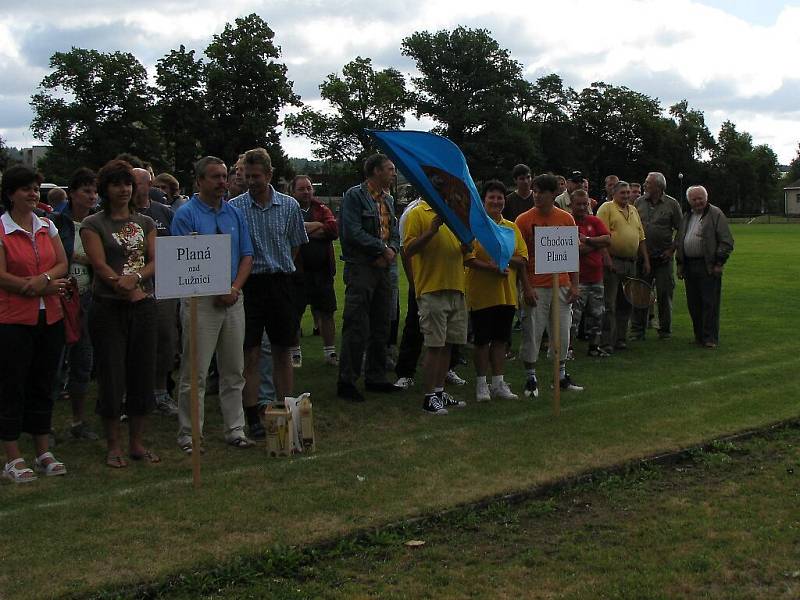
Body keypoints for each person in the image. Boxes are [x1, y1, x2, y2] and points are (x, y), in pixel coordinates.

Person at [171, 156, 254, 453]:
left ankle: (235, 428)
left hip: (233, 298)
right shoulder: (185, 215)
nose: (222, 182)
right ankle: (190, 433)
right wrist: (216, 288)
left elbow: (247, 255)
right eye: (215, 177)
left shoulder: (235, 215)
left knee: (234, 369)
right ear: (199, 181)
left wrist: (233, 288)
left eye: (224, 176)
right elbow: (183, 261)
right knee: (196, 372)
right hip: (200, 301)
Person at [81, 159, 160, 467]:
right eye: (116, 184)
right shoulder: (93, 224)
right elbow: (99, 265)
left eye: (127, 184)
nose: (124, 190)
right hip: (108, 308)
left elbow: (155, 260)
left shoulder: (146, 223)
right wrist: (121, 283)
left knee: (142, 374)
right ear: (105, 189)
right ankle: (113, 445)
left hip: (143, 306)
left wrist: (137, 279)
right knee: (112, 376)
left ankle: (137, 443)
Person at [229, 148, 308, 438]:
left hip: (281, 282)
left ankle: (286, 408)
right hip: (250, 285)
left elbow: (296, 244)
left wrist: (281, 264)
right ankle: (252, 415)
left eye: (257, 176)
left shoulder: (288, 206)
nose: (251, 182)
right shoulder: (235, 206)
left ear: (269, 175)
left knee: (282, 350)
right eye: (247, 176)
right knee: (249, 352)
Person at [0, 165, 69, 482]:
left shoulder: (47, 226)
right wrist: (32, 286)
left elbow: (61, 263)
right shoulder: (2, 230)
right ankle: (12, 455)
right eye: (26, 189)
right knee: (13, 385)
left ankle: (42, 448)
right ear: (11, 193)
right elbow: (2, 275)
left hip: (49, 316)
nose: (32, 194)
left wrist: (40, 281)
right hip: (13, 320)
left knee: (44, 383)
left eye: (35, 189)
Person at [337, 154, 401, 402]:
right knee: (356, 325)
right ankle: (347, 381)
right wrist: (380, 249)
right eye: (390, 169)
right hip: (361, 268)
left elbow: (394, 232)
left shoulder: (389, 200)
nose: (394, 173)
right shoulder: (354, 196)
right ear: (375, 171)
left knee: (381, 323)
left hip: (383, 269)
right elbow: (351, 231)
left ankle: (375, 376)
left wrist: (392, 250)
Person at [515, 173, 583, 398]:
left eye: (542, 192)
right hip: (536, 284)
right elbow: (521, 259)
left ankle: (560, 375)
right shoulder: (523, 220)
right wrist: (526, 287)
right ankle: (531, 376)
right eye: (535, 191)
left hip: (561, 284)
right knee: (532, 331)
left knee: (562, 330)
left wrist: (574, 284)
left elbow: (571, 254)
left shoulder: (566, 219)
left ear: (554, 194)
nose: (537, 196)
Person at [403, 196, 471, 414]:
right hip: (432, 289)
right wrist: (431, 231)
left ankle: (440, 392)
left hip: (456, 287)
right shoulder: (418, 212)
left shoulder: (454, 215)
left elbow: (460, 250)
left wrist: (465, 246)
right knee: (435, 345)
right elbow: (409, 249)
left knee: (448, 345)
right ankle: (429, 396)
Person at [464, 181, 531, 402]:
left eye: (500, 198)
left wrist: (503, 261)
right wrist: (492, 267)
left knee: (501, 340)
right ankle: (481, 385)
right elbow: (469, 258)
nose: (496, 201)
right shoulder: (474, 226)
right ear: (483, 201)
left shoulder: (511, 227)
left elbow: (522, 259)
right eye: (491, 197)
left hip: (507, 294)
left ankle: (498, 383)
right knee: (482, 341)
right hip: (482, 293)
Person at [51, 167, 99, 440]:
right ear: (72, 193)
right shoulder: (55, 222)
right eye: (86, 191)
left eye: (94, 192)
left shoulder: (97, 223)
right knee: (54, 362)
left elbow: (103, 259)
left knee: (83, 359)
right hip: (60, 297)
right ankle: (44, 424)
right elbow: (56, 257)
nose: (91, 196)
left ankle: (78, 420)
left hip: (87, 297)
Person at [132, 168, 179, 416]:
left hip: (163, 288)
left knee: (165, 341)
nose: (135, 188)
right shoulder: (121, 214)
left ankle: (161, 392)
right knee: (133, 343)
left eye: (140, 182)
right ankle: (132, 395)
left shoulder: (164, 213)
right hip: (130, 289)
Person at [288, 175, 339, 367]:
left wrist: (305, 230)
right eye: (301, 189)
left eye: (309, 188)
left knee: (327, 312)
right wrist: (317, 228)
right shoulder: (288, 209)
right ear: (293, 191)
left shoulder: (321, 208)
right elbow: (288, 232)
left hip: (322, 272)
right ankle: (295, 355)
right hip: (297, 272)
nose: (306, 192)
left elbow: (333, 230)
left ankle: (330, 353)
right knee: (295, 314)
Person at [676, 185, 734, 348]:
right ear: (689, 201)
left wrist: (719, 262)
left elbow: (726, 241)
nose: (698, 201)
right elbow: (680, 240)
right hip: (689, 266)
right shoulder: (687, 216)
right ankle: (699, 336)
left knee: (710, 303)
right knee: (693, 304)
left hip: (708, 265)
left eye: (700, 198)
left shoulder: (716, 214)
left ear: (706, 197)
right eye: (694, 199)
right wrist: (680, 264)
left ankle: (710, 338)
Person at [596, 181, 651, 354]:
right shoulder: (607, 208)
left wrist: (646, 260)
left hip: (631, 262)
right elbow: (601, 236)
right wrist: (606, 258)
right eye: (623, 193)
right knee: (609, 303)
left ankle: (620, 338)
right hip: (613, 261)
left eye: (628, 193)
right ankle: (606, 342)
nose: (627, 196)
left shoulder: (633, 210)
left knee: (626, 303)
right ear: (614, 193)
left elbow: (641, 237)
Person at [631, 172, 682, 340]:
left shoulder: (672, 204)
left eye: (648, 183)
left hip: (663, 258)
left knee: (664, 294)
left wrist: (671, 250)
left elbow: (681, 229)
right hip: (642, 258)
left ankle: (665, 330)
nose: (645, 185)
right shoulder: (638, 202)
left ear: (659, 187)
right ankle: (638, 330)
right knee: (640, 294)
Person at [570, 189, 611, 356]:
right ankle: (569, 348)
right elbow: (572, 250)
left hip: (596, 277)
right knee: (573, 318)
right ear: (571, 204)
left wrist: (586, 240)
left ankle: (594, 347)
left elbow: (607, 239)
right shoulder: (567, 221)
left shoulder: (594, 221)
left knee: (597, 315)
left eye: (584, 204)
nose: (582, 207)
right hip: (576, 278)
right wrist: (596, 244)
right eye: (578, 204)